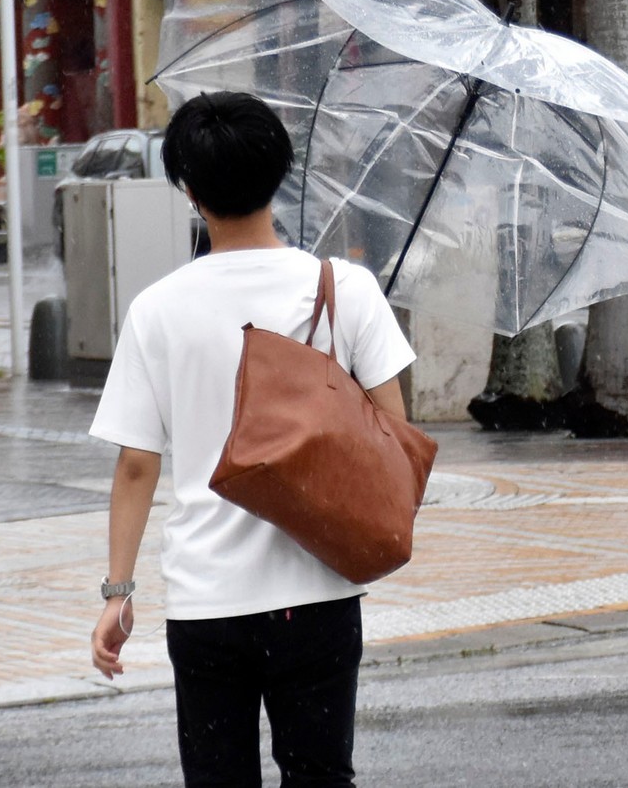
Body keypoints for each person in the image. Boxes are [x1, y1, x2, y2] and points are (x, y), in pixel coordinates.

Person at [89, 92, 416, 787]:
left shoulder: (158, 308)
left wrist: (118, 593)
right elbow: (398, 434)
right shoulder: (345, 288)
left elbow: (137, 466)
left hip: (208, 601)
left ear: (188, 189)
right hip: (319, 591)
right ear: (280, 174)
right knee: (321, 775)